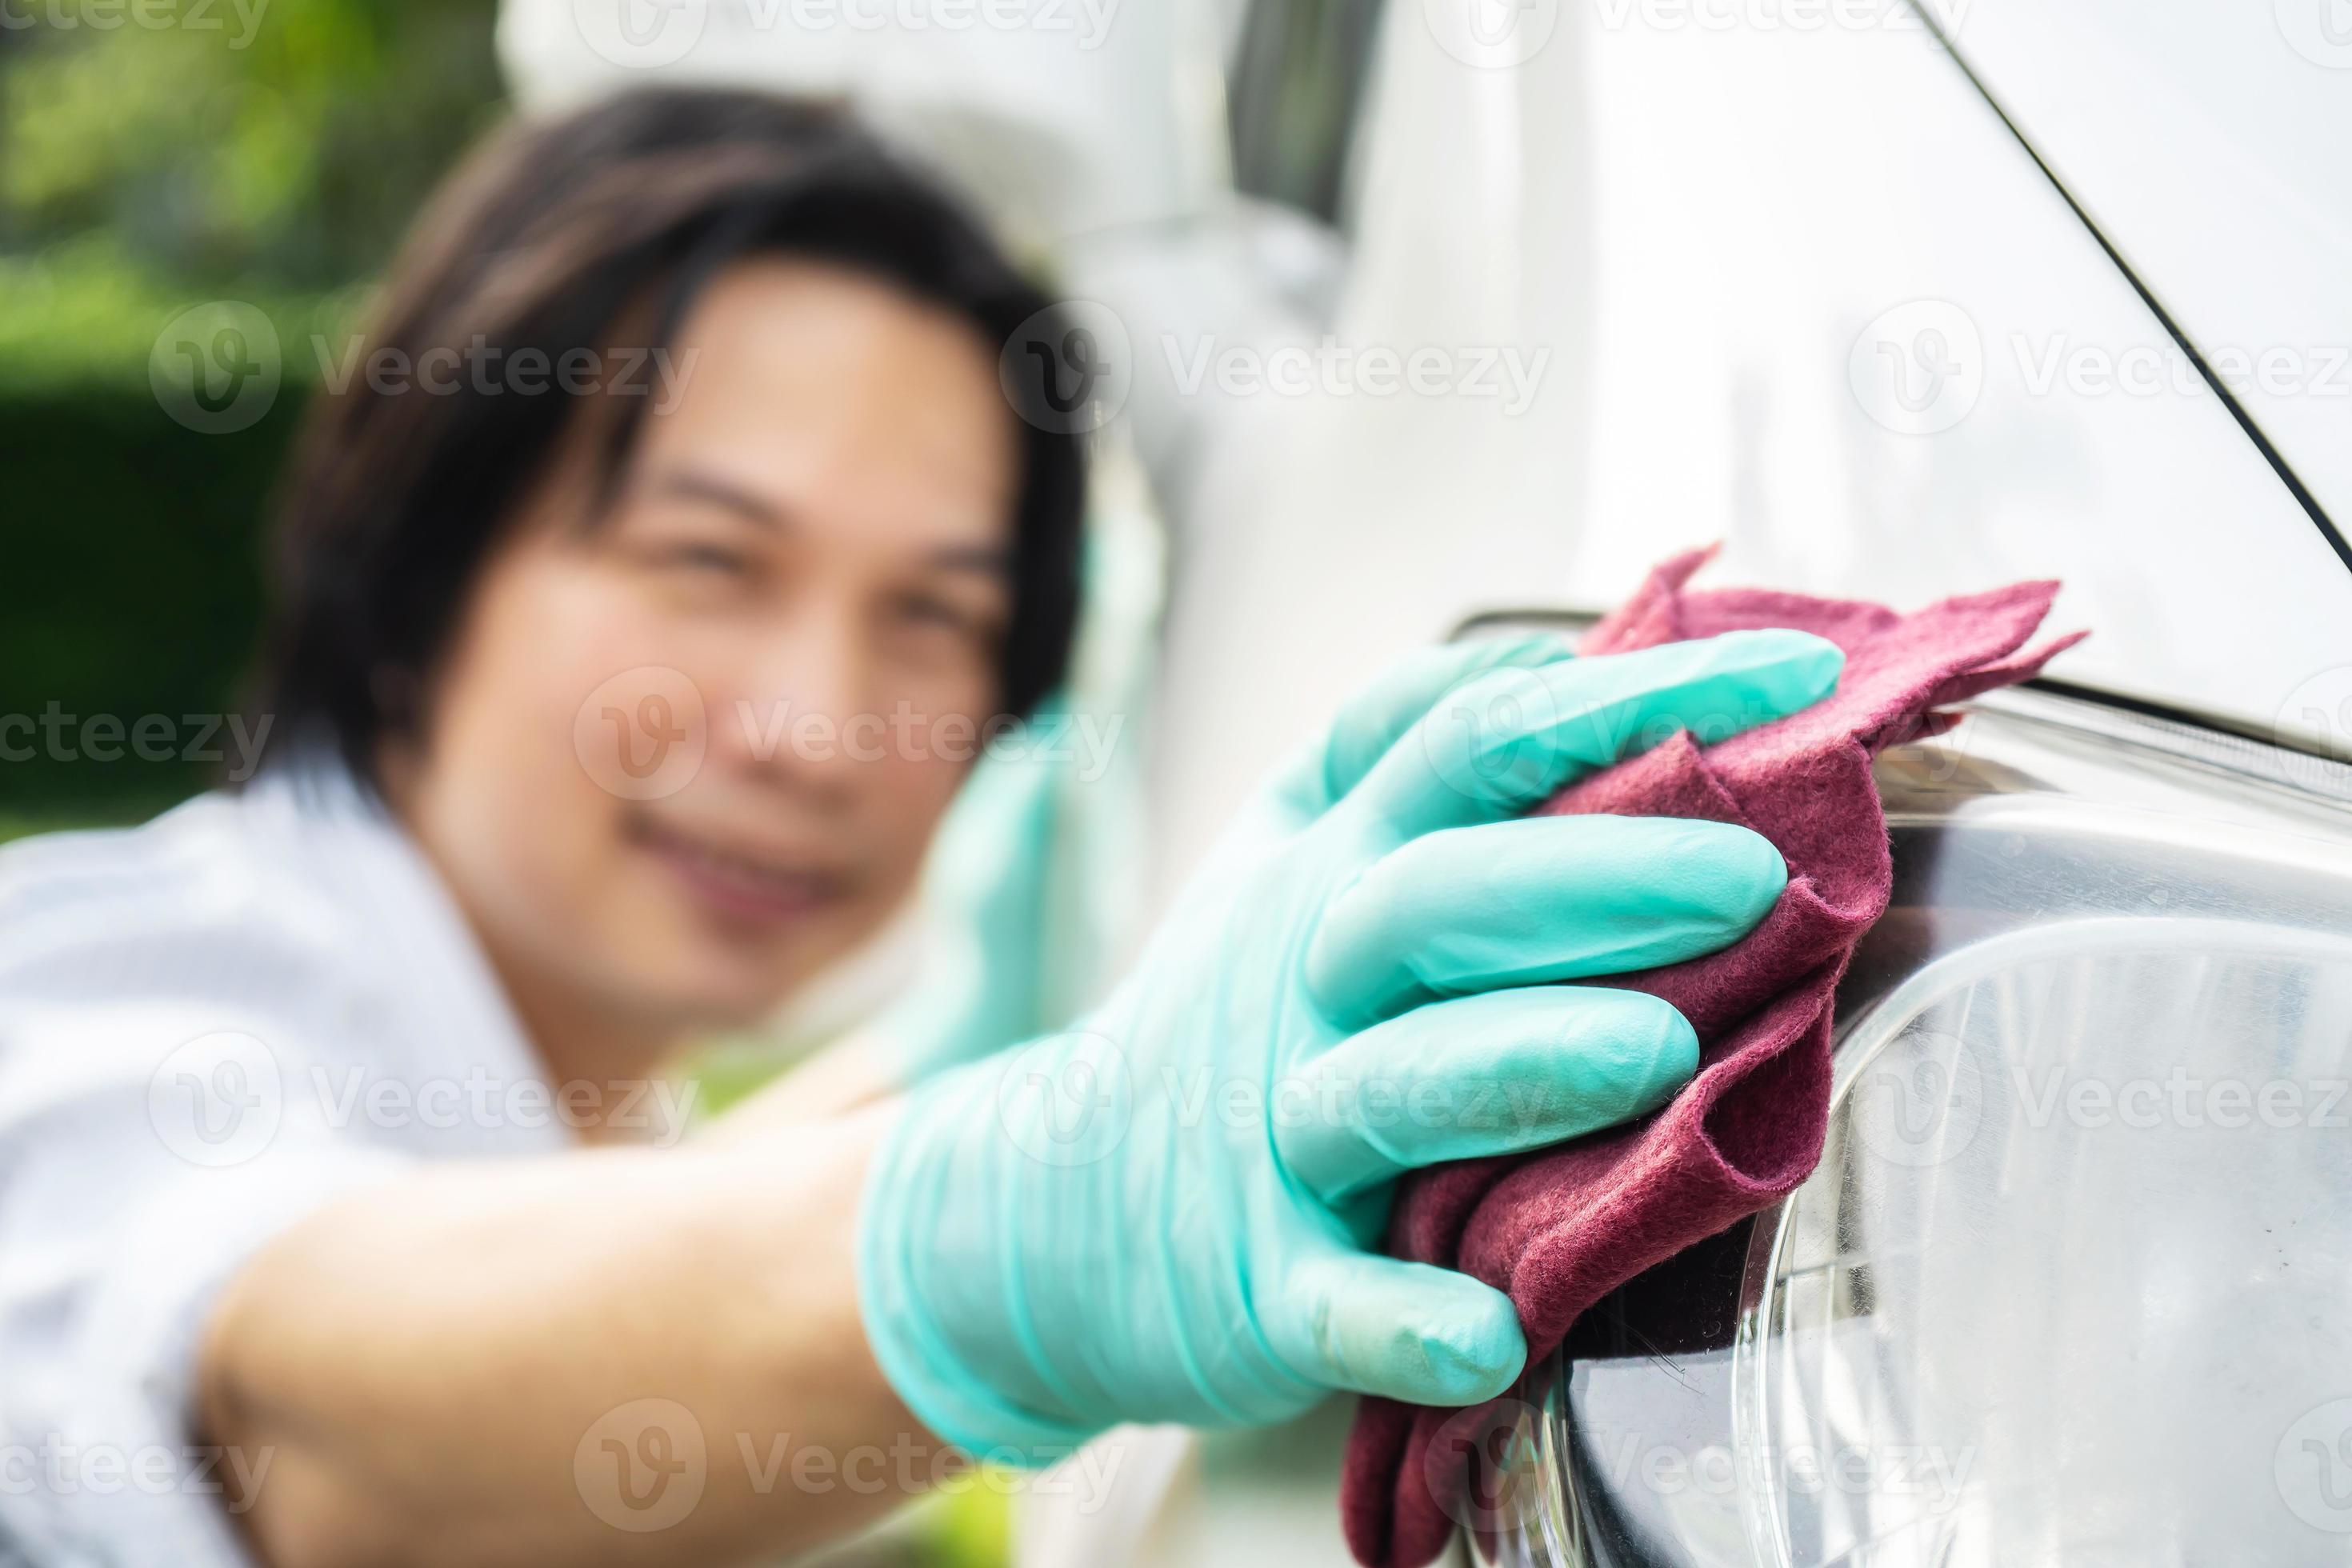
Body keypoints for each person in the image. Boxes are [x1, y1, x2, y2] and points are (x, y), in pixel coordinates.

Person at [0, 88, 1844, 1567]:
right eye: (704, 561)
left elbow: (593, 1253)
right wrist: (1033, 1217)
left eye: (937, 616)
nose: (819, 729)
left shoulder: (567, 1096)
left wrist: (970, 1079)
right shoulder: (92, 991)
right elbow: (284, 1410)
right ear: (418, 575)